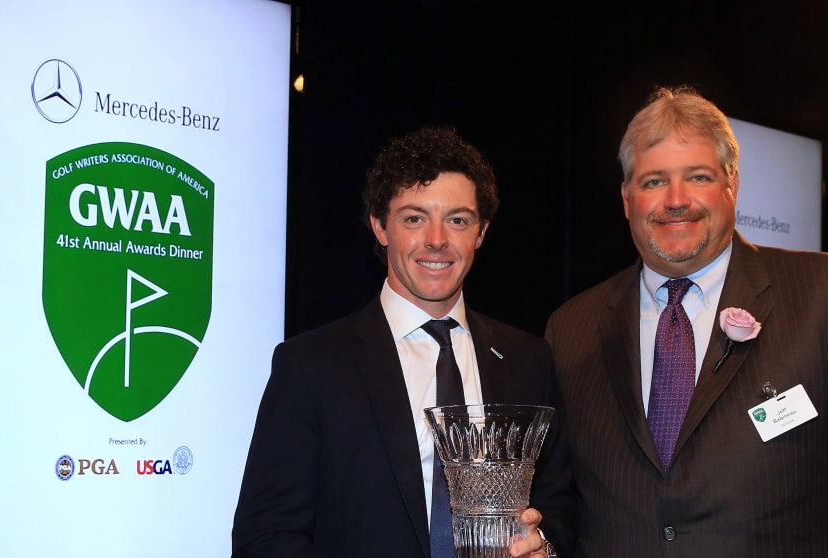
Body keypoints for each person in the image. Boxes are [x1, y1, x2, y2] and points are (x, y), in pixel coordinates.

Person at [544, 85, 828, 556]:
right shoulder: (569, 328)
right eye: (653, 181)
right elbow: (560, 502)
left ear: (732, 185)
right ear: (627, 198)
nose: (675, 199)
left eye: (697, 177)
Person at [232, 125, 575, 557]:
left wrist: (544, 542)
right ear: (380, 226)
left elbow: (560, 501)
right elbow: (266, 536)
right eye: (414, 218)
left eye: (457, 220)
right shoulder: (310, 365)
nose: (437, 239)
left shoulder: (529, 359)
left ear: (481, 232)